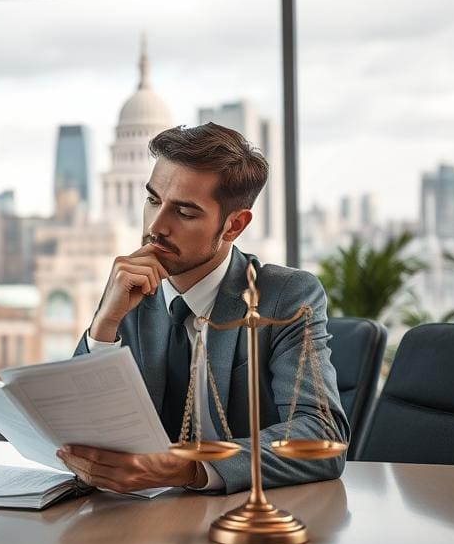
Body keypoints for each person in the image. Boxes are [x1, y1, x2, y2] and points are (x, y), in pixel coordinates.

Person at [58, 123, 348, 494]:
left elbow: (322, 437)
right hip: (138, 520)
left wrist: (183, 468)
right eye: (152, 200)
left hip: (245, 517)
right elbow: (75, 428)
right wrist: (103, 327)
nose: (156, 227)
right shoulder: (128, 288)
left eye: (184, 212)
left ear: (234, 226)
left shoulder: (285, 296)